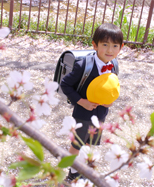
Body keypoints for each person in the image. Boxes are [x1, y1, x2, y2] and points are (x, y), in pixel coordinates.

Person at [60, 23, 124, 181]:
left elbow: (111, 87)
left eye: (115, 46)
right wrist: (81, 101)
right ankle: (73, 173)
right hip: (82, 113)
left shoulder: (114, 64)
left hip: (101, 114)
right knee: (76, 144)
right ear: (94, 45)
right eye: (105, 45)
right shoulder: (84, 66)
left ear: (121, 47)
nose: (110, 50)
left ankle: (83, 169)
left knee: (89, 142)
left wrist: (110, 102)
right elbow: (65, 84)